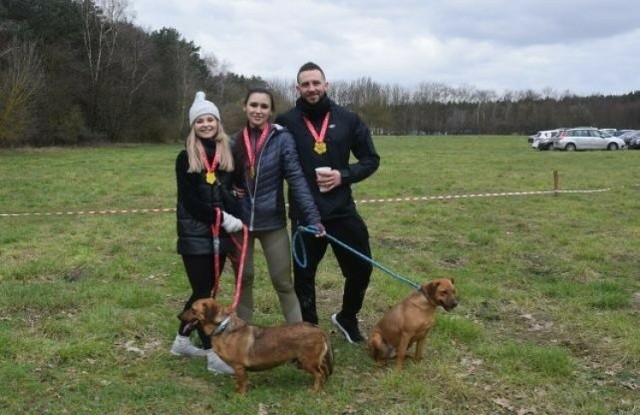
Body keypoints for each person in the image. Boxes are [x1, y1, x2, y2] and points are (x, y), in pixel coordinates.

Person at [275, 62, 380, 344]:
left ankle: (347, 316)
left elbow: (371, 160)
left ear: (326, 85)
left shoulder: (348, 119)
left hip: (342, 211)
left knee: (362, 268)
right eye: (305, 84)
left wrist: (343, 176)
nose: (311, 89)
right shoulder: (285, 122)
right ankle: (309, 333)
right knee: (304, 277)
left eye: (316, 83)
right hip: (305, 215)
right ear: (297, 88)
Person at [231, 87, 325, 323]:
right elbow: (221, 180)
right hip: (239, 224)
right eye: (254, 105)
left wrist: (313, 218)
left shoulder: (282, 139)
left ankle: (297, 338)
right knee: (244, 280)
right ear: (245, 107)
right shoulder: (233, 140)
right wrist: (229, 190)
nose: (258, 111)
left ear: (271, 110)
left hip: (272, 223)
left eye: (264, 106)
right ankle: (243, 339)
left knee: (283, 282)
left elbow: (296, 179)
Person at [170, 91, 244, 375]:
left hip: (219, 235)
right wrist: (220, 217)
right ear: (193, 126)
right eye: (200, 121)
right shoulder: (184, 157)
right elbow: (190, 200)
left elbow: (225, 194)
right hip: (195, 235)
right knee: (204, 294)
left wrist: (237, 213)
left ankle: (181, 342)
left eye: (210, 119)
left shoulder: (225, 155)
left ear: (218, 123)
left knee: (207, 292)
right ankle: (214, 355)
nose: (205, 124)